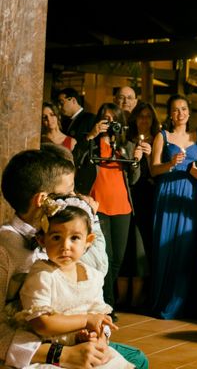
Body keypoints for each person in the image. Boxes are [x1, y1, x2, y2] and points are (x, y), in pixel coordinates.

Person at [0, 149, 148, 368]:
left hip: (73, 337)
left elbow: (92, 288)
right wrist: (60, 354)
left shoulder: (66, 238)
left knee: (136, 358)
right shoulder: (6, 250)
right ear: (43, 200)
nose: (76, 197)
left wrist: (98, 336)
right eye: (69, 192)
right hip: (36, 349)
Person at [16, 198, 132, 369]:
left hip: (83, 346)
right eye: (56, 237)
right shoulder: (43, 275)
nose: (65, 246)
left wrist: (98, 337)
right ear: (42, 240)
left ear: (88, 241)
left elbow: (100, 318)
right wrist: (86, 320)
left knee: (115, 362)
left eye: (75, 238)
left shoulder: (93, 276)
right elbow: (42, 324)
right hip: (52, 351)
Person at [74, 103, 143, 318]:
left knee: (117, 260)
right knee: (103, 257)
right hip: (98, 205)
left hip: (122, 207)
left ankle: (104, 302)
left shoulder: (127, 146)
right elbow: (75, 160)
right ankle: (107, 307)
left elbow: (133, 179)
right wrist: (90, 136)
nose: (109, 123)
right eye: (104, 119)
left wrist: (136, 162)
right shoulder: (90, 142)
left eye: (113, 119)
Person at [150, 94, 197, 319]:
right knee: (163, 246)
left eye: (183, 109)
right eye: (175, 110)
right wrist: (170, 164)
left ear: (189, 113)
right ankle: (160, 300)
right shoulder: (162, 136)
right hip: (168, 193)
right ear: (170, 115)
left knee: (186, 248)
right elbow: (153, 170)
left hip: (190, 194)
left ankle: (182, 304)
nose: (180, 113)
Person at [123, 102, 160, 310]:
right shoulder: (127, 142)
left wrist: (148, 155)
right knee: (128, 244)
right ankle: (124, 295)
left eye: (148, 116)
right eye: (141, 116)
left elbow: (158, 173)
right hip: (130, 196)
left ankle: (140, 295)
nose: (144, 120)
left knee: (143, 244)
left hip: (149, 197)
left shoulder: (158, 141)